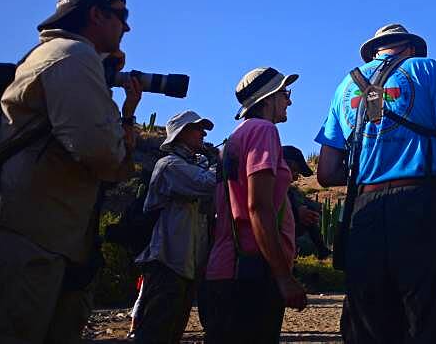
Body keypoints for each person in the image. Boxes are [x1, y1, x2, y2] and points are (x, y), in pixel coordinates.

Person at [0, 0, 141, 344]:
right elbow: (103, 154)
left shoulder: (59, 55)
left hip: (28, 239)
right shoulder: (73, 56)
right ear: (96, 14)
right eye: (121, 15)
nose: (127, 26)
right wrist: (125, 125)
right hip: (20, 246)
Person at [315, 23, 436, 344]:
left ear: (375, 51)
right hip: (422, 203)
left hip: (364, 212)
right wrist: (428, 166)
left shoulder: (345, 85)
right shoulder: (426, 68)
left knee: (370, 321)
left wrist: (368, 168)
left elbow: (326, 172)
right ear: (410, 48)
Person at [200, 66, 307, 344]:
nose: (289, 100)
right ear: (269, 98)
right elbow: (258, 206)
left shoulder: (234, 138)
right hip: (251, 272)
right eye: (285, 93)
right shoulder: (263, 130)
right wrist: (283, 276)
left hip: (226, 269)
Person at [133, 110, 217, 344]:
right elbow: (207, 184)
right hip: (166, 262)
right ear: (180, 134)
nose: (203, 133)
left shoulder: (192, 165)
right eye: (196, 128)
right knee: (155, 332)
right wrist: (221, 162)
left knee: (172, 332)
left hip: (186, 266)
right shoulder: (169, 165)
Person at [282, 145, 329, 259]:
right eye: (294, 170)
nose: (296, 177)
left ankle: (321, 251)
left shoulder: (289, 193)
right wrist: (297, 215)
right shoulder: (267, 185)